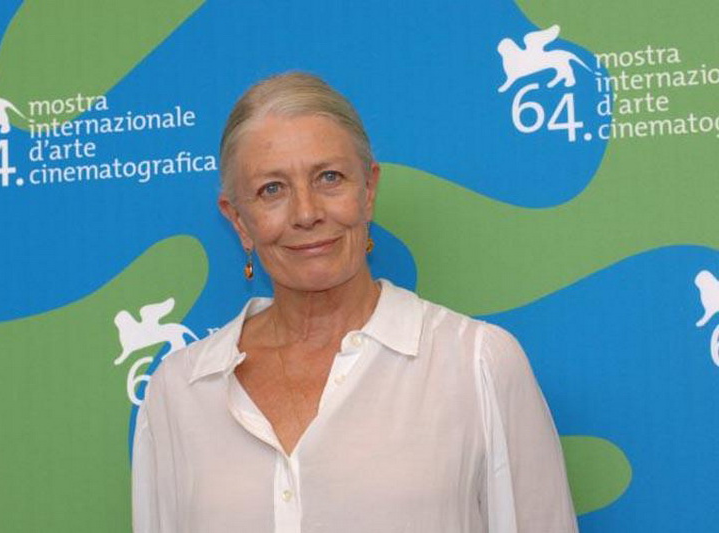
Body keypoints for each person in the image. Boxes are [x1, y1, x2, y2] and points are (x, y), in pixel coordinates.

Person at [132, 72, 578, 533]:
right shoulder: (179, 392)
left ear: (368, 191)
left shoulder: (476, 364)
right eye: (272, 189)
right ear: (239, 221)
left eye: (329, 178)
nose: (306, 213)